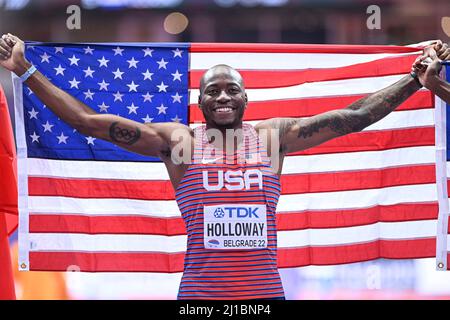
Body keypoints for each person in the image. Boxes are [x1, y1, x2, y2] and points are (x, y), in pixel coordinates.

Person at [0, 33, 448, 300]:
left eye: (231, 89)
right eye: (212, 91)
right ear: (200, 102)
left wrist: (414, 79)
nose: (222, 97)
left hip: (263, 296)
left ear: (245, 98)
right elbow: (88, 123)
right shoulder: (179, 142)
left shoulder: (273, 137)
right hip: (199, 297)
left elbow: (357, 117)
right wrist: (25, 71)